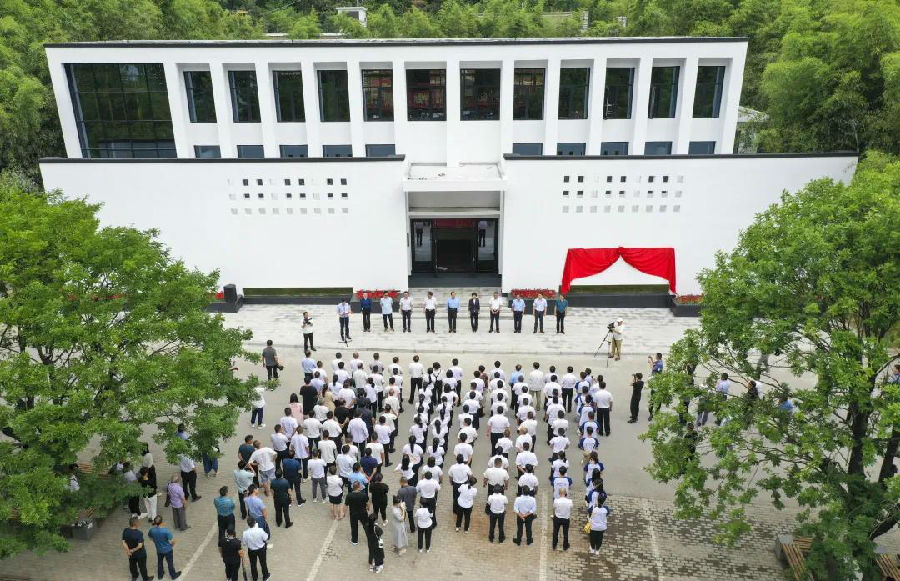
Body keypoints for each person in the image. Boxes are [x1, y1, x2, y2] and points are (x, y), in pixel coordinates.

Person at [147, 515, 180, 580]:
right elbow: (173, 541)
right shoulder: (166, 531)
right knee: (170, 563)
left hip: (159, 550)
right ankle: (173, 575)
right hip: (168, 550)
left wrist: (155, 542)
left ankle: (160, 575)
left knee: (160, 562)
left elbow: (150, 537)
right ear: (161, 522)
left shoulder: (152, 530)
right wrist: (171, 546)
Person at [122, 515, 152, 581]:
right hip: (140, 554)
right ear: (135, 524)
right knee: (142, 567)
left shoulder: (125, 530)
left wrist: (128, 551)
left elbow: (124, 542)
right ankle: (145, 579)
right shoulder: (139, 533)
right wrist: (133, 550)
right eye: (138, 522)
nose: (139, 523)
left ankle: (134, 576)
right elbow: (140, 545)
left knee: (132, 565)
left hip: (131, 554)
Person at [242, 517, 270, 581]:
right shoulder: (260, 530)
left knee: (253, 564)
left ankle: (255, 578)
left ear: (248, 524)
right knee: (263, 563)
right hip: (261, 550)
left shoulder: (245, 533)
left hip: (251, 550)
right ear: (255, 522)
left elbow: (244, 543)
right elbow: (266, 538)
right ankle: (265, 576)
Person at [345, 481, 370, 545]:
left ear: (353, 487)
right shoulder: (364, 495)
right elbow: (368, 503)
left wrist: (344, 513)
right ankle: (370, 538)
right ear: (359, 487)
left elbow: (345, 505)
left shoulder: (349, 495)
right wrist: (368, 508)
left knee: (354, 527)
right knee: (366, 525)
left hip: (353, 514)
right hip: (363, 513)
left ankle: (354, 541)